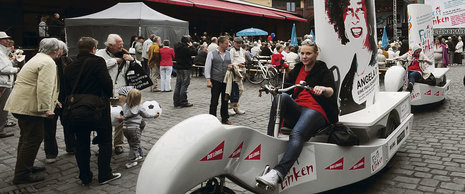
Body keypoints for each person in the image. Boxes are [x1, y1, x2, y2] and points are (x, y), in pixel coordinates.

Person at [256, 41, 338, 188]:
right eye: (302, 53)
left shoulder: (322, 69)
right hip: (298, 108)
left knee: (296, 134)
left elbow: (331, 91)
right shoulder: (298, 68)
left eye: (308, 53)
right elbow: (286, 88)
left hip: (316, 110)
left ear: (316, 54)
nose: (304, 57)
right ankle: (270, 141)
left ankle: (278, 173)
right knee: (280, 97)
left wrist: (323, 88)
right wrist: (275, 89)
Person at [64, 37, 120, 185]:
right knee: (105, 141)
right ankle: (104, 174)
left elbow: (66, 89)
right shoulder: (97, 62)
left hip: (77, 109)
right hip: (98, 107)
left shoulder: (70, 65)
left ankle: (85, 176)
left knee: (81, 143)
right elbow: (107, 83)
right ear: (94, 49)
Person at [4, 38, 61, 184]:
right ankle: (22, 174)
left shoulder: (38, 58)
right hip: (29, 107)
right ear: (55, 51)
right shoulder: (48, 62)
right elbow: (44, 87)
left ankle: (24, 166)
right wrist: (46, 108)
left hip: (21, 105)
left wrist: (53, 101)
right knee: (32, 139)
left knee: (26, 138)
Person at [325, 0, 378, 115]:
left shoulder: (369, 63)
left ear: (369, 18)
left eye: (360, 10)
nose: (355, 19)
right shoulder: (350, 70)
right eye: (348, 11)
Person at [96, 34, 133, 155]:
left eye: (122, 44)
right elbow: (97, 66)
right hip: (104, 93)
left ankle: (118, 144)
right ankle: (103, 143)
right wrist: (115, 60)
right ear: (110, 45)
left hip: (120, 92)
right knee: (102, 119)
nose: (121, 47)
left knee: (120, 119)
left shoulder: (124, 52)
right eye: (119, 45)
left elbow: (135, 66)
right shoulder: (100, 53)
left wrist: (132, 60)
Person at [43, 40, 74, 164]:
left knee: (69, 124)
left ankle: (72, 146)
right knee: (49, 127)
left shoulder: (67, 61)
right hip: (50, 99)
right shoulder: (46, 62)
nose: (60, 52)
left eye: (61, 50)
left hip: (65, 98)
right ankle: (51, 153)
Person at [121, 89, 158, 169]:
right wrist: (154, 115)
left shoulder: (124, 106)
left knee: (132, 142)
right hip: (134, 129)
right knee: (135, 145)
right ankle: (131, 161)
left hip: (125, 128)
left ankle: (137, 155)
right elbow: (146, 115)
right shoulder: (139, 107)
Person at [204, 36, 233, 125]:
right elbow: (207, 67)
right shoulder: (212, 54)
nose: (228, 45)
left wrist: (231, 67)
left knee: (225, 100)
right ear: (220, 44)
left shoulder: (229, 53)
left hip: (226, 80)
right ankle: (212, 119)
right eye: (226, 43)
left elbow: (231, 64)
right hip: (215, 80)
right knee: (214, 100)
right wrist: (208, 80)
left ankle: (225, 118)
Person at [0, 32, 20, 138]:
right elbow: (2, 69)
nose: (7, 40)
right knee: (2, 107)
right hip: (2, 83)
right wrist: (15, 70)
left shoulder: (3, 52)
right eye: (5, 39)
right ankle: (0, 130)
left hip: (4, 82)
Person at [173, 35, 197, 108]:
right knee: (184, 84)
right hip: (185, 68)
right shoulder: (186, 48)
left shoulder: (177, 47)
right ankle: (183, 101)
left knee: (178, 84)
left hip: (178, 67)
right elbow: (195, 52)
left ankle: (176, 101)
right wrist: (192, 46)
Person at [228, 37, 246, 116]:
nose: (239, 44)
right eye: (237, 43)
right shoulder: (231, 50)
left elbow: (242, 59)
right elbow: (230, 62)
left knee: (240, 90)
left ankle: (236, 107)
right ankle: (229, 107)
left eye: (240, 43)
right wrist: (237, 65)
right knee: (233, 90)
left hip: (240, 71)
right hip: (234, 72)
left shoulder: (241, 50)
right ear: (234, 43)